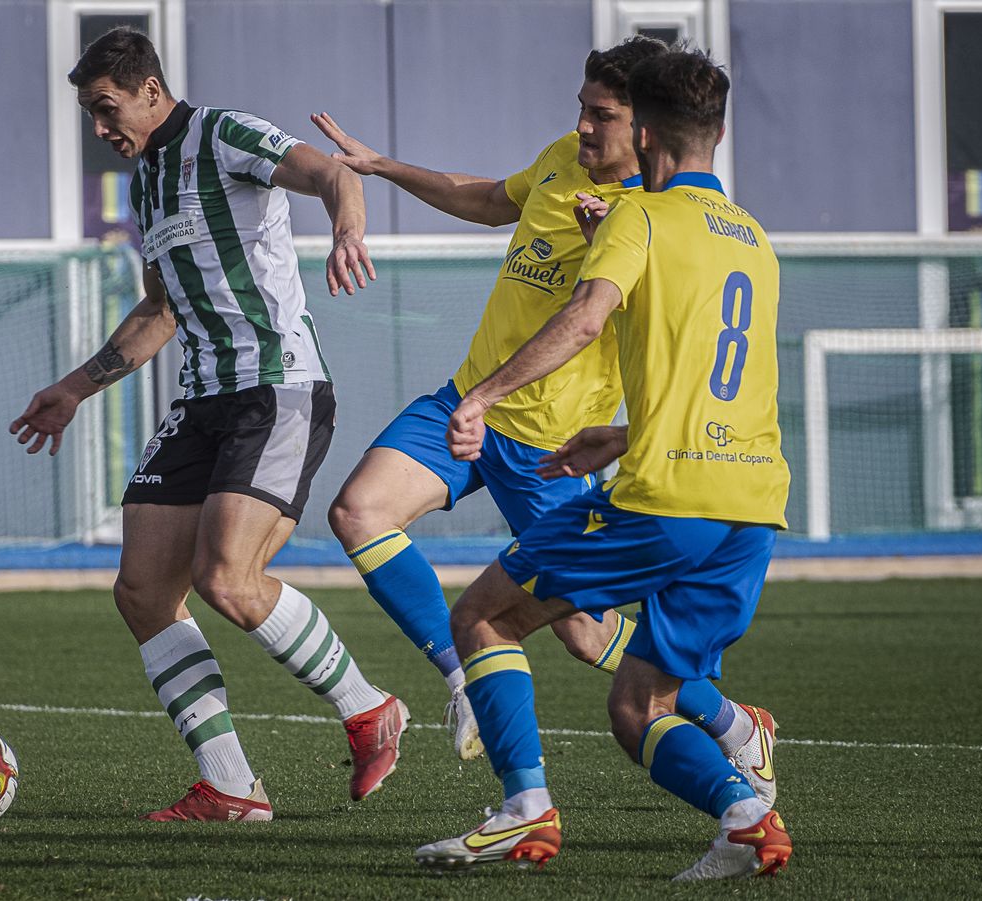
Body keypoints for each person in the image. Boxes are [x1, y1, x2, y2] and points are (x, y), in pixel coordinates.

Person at [315, 35, 774, 796]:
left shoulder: (654, 218)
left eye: (603, 115)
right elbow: (490, 197)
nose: (586, 127)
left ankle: (728, 721)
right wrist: (385, 166)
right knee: (359, 510)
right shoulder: (564, 158)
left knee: (584, 633)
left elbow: (613, 325)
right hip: (469, 404)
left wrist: (608, 247)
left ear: (646, 128)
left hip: (551, 445)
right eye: (582, 110)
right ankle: (462, 674)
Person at [414, 49, 793, 880]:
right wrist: (618, 436)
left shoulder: (640, 216)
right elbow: (723, 380)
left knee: (483, 614)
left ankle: (524, 809)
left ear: (646, 132)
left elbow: (585, 318)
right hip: (752, 507)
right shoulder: (755, 239)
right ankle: (746, 818)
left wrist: (482, 395)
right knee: (638, 703)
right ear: (719, 134)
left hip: (671, 499)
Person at [9, 27, 402, 822]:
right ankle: (229, 782)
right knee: (144, 590)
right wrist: (76, 388)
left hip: (277, 390)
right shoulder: (145, 184)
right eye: (89, 112)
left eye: (104, 108)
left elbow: (330, 173)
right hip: (201, 401)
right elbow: (158, 311)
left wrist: (349, 227)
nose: (98, 128)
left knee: (227, 578)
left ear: (150, 90)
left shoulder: (224, 133)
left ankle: (369, 708)